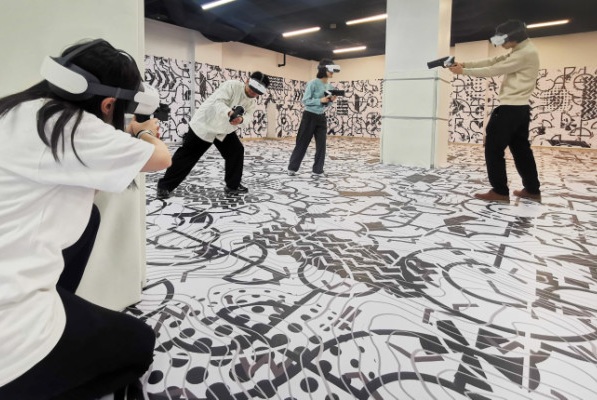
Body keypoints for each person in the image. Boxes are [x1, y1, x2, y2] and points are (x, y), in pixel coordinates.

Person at [0, 39, 171, 400]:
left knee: (89, 218)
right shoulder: (74, 128)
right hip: (9, 325)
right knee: (139, 343)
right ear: (108, 104)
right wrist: (143, 131)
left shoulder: (18, 109)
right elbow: (161, 158)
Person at [449, 19, 542, 202]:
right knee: (521, 150)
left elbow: (494, 69)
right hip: (520, 109)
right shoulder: (523, 50)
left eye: (502, 41)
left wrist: (463, 72)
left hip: (510, 108)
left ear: (512, 38)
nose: (500, 45)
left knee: (493, 148)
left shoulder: (524, 54)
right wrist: (465, 64)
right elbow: (493, 60)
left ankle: (499, 191)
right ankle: (532, 189)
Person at [156, 71, 270, 198]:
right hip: (205, 124)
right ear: (247, 81)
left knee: (236, 151)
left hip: (223, 130)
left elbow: (248, 117)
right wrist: (229, 113)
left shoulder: (252, 102)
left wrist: (241, 120)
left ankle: (232, 186)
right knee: (187, 156)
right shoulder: (232, 85)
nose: (253, 93)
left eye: (257, 92)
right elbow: (218, 102)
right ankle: (164, 186)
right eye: (252, 89)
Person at [287, 59, 341, 177]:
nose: (332, 72)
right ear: (323, 69)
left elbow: (326, 104)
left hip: (321, 117)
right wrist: (320, 100)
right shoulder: (312, 83)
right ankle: (292, 168)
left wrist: (331, 100)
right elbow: (305, 101)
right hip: (309, 116)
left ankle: (318, 170)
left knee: (321, 145)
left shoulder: (330, 86)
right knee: (302, 143)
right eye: (330, 70)